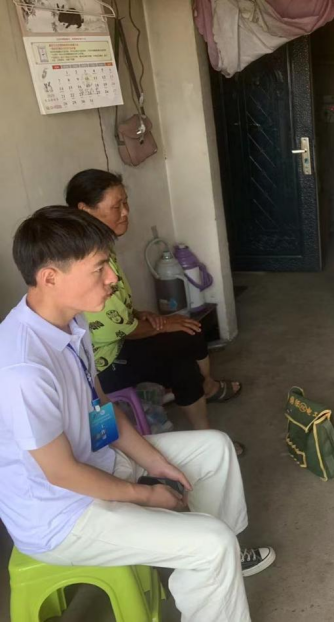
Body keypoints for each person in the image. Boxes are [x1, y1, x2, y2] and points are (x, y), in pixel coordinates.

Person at [0, 207, 274, 622]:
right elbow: (61, 474)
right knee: (210, 542)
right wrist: (146, 494)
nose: (112, 277)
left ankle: (222, 561)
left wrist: (156, 463)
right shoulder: (23, 369)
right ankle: (214, 554)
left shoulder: (71, 324)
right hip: (62, 515)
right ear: (50, 278)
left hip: (96, 460)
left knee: (215, 449)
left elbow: (102, 407)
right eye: (99, 268)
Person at [65, 169, 246, 456]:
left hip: (117, 344)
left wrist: (140, 314)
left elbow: (113, 307)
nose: (126, 212)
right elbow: (112, 327)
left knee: (187, 338)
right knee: (183, 344)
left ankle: (207, 429)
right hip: (103, 364)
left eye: (126, 202)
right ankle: (208, 413)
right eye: (117, 205)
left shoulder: (101, 247)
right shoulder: (81, 258)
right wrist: (164, 325)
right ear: (85, 210)